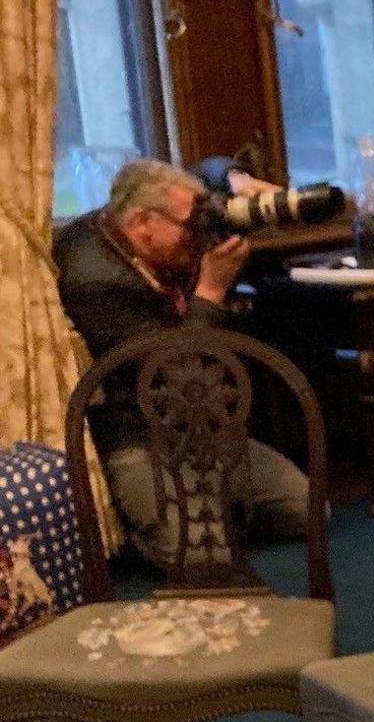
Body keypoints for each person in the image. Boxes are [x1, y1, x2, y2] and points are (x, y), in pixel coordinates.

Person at [54, 158, 309, 569]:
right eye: (192, 228)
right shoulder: (94, 278)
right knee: (205, 558)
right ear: (142, 222)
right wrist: (210, 291)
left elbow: (208, 169)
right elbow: (174, 374)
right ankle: (146, 525)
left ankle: (205, 500)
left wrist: (236, 179)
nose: (202, 237)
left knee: (307, 509)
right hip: (139, 439)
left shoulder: (150, 212)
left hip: (204, 428)